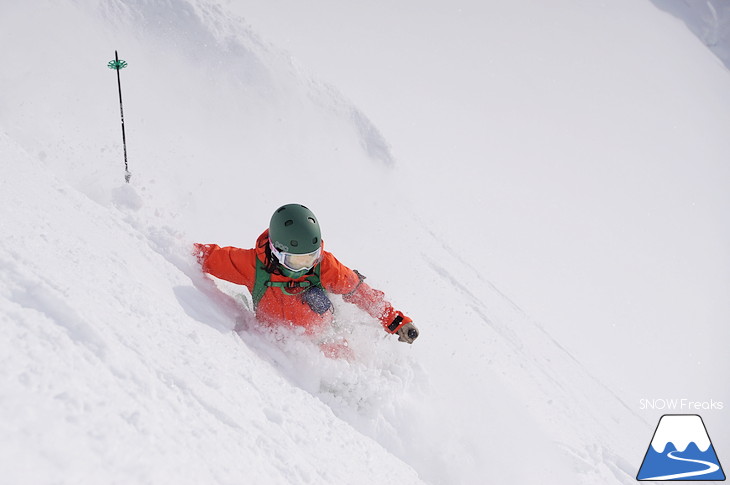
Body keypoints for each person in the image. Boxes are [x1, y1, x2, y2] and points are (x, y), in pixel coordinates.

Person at [193, 203, 419, 351]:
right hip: (272, 342)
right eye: (297, 261)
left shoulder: (324, 266)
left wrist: (396, 321)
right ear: (276, 251)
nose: (306, 267)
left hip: (324, 338)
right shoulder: (253, 266)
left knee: (344, 359)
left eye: (312, 257)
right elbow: (208, 257)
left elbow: (360, 293)